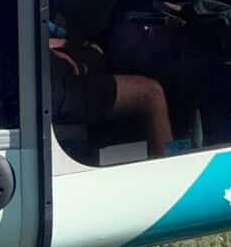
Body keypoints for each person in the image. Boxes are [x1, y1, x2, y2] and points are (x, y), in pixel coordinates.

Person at [49, 31, 173, 159]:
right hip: (51, 84)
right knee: (151, 94)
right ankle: (170, 170)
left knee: (96, 52)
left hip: (49, 71)